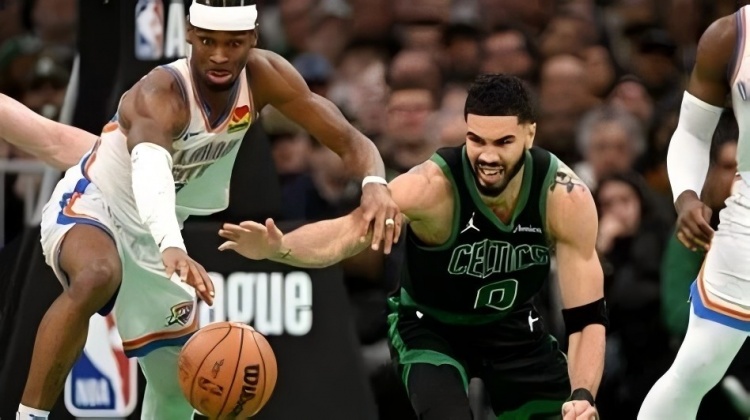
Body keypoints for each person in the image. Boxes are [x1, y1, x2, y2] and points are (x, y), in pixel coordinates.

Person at [2, 1, 400, 419]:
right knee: (98, 274)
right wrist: (172, 245)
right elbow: (152, 177)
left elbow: (348, 138)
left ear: (254, 38)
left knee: (177, 386)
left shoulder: (266, 76)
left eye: (233, 44)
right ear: (189, 35)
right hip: (95, 204)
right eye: (208, 41)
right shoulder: (160, 93)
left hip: (156, 230)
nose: (220, 56)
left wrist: (374, 182)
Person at [218, 74, 607, 420]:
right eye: (476, 140)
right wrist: (280, 246)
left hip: (512, 326)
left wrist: (582, 395)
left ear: (530, 135)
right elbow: (346, 233)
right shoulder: (431, 187)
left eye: (503, 142)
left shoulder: (563, 197)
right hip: (431, 327)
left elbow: (586, 317)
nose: (488, 156)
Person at [638, 4, 750, 418]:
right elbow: (691, 132)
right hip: (748, 219)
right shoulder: (730, 36)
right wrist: (686, 195)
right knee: (695, 369)